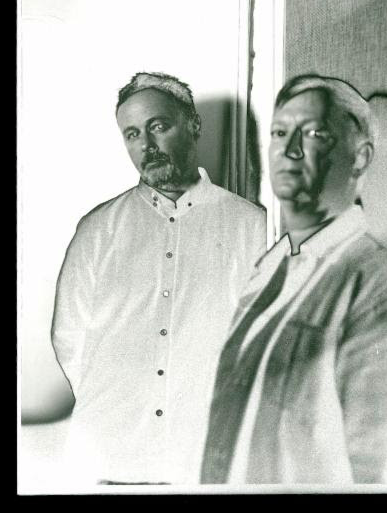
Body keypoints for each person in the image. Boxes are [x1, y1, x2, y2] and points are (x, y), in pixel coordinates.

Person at [200, 74, 387, 485]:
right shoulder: (266, 272)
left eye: (314, 134)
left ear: (360, 159)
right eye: (280, 133)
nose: (290, 150)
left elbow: (382, 476)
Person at [51, 72, 267, 485]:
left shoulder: (252, 227)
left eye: (158, 127)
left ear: (193, 125)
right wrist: (117, 407)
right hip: (113, 461)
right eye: (132, 134)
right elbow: (69, 338)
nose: (146, 146)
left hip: (205, 462)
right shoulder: (97, 229)